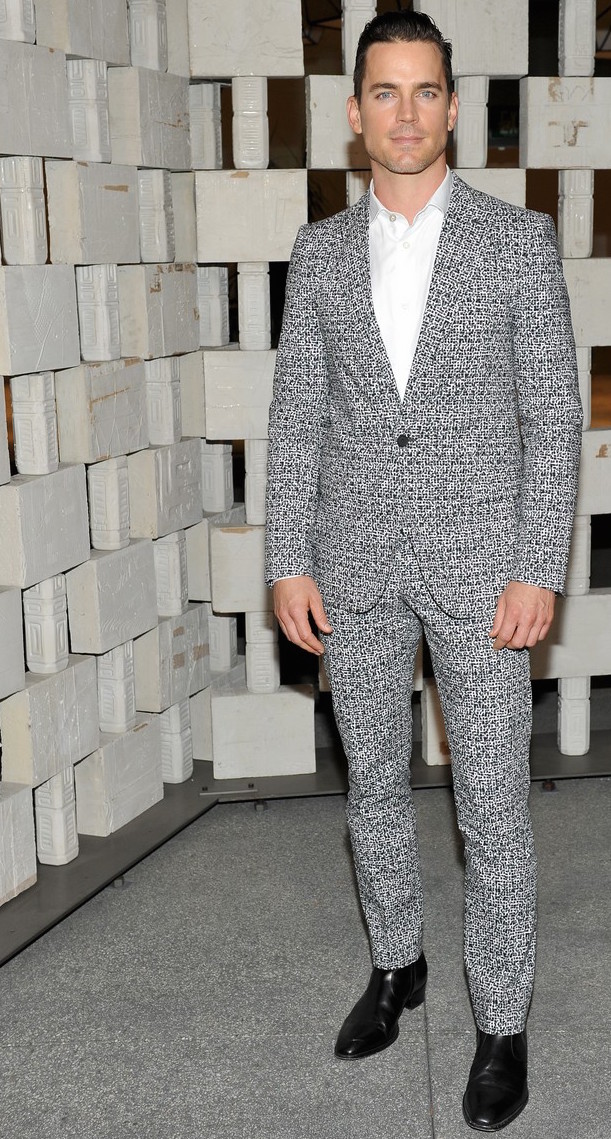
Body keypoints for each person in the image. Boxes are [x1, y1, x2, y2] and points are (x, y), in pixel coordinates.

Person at [265, 9, 582, 1132]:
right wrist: (286, 556)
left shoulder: (516, 242)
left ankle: (501, 1021)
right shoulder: (315, 254)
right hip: (349, 565)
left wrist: (537, 564)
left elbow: (551, 417)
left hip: (483, 569)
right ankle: (396, 966)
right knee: (370, 788)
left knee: (491, 807)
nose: (406, 113)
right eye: (383, 93)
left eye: (425, 90)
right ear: (354, 116)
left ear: (454, 107)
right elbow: (297, 414)